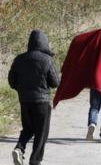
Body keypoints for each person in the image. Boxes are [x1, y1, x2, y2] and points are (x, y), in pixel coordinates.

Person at [8, 30, 60, 165]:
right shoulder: (47, 59)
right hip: (42, 101)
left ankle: (19, 148)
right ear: (44, 42)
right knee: (41, 132)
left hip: (24, 100)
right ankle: (35, 160)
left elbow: (11, 81)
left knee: (28, 128)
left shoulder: (19, 59)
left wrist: (22, 89)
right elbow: (55, 82)